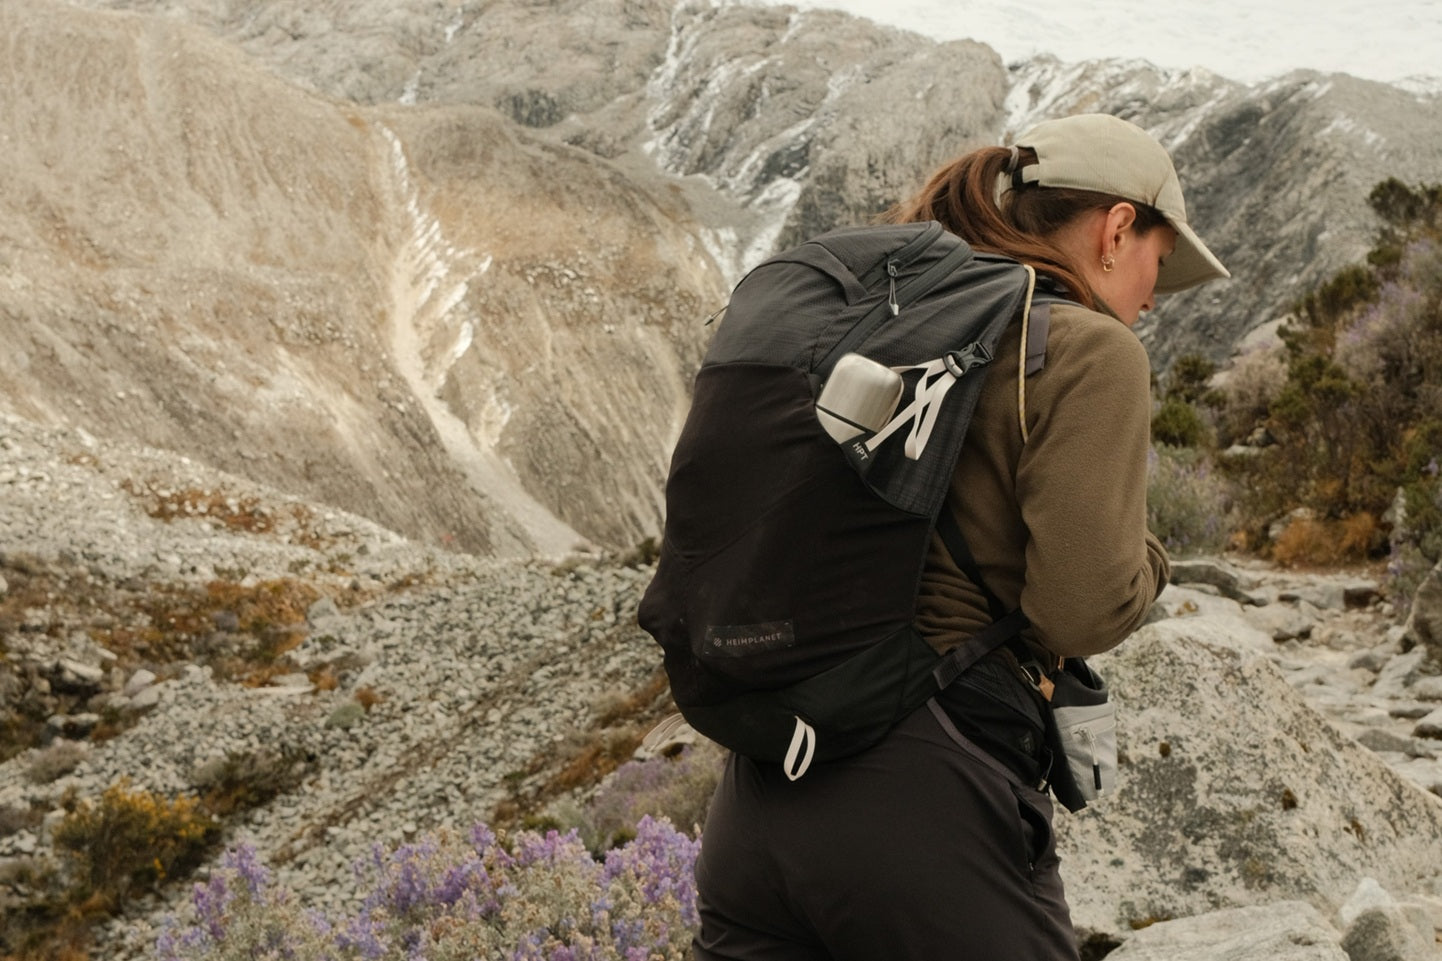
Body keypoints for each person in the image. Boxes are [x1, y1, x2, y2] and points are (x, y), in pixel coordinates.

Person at [691, 113, 1230, 961]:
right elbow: (1081, 608)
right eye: (1159, 261)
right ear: (1117, 229)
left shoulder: (896, 328)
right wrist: (1152, 560)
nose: (1154, 297)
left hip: (759, 794)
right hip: (923, 799)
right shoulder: (1090, 349)